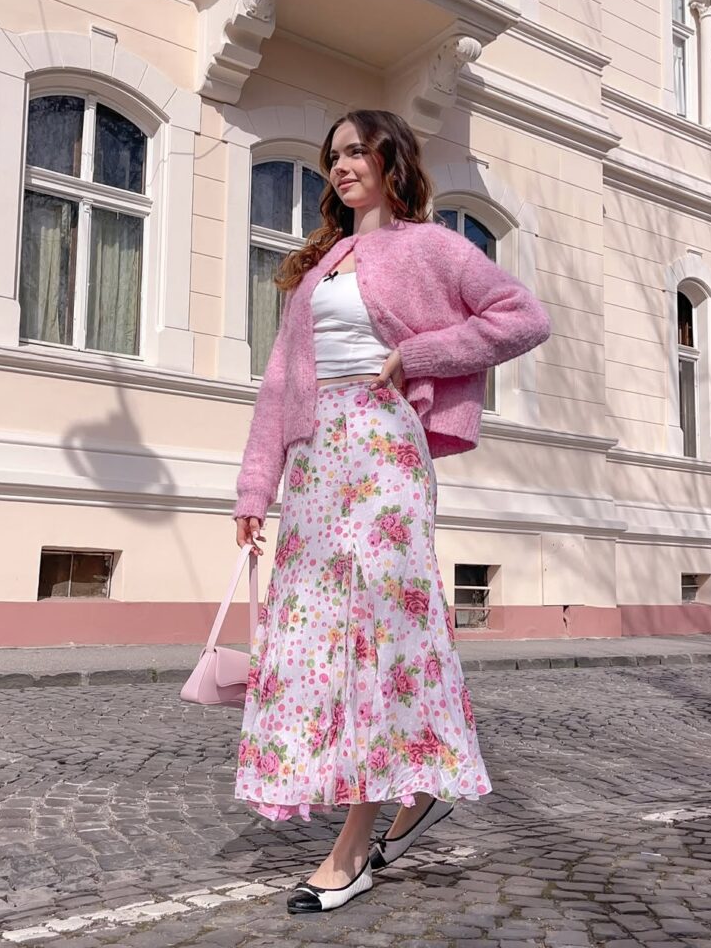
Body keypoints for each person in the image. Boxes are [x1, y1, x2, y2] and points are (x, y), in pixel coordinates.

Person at [232, 109, 552, 914]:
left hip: (381, 450)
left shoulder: (431, 245)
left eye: (354, 152)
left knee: (374, 634)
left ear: (389, 160)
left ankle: (352, 847)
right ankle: (411, 789)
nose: (340, 166)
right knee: (310, 637)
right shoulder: (316, 269)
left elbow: (522, 317)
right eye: (331, 156)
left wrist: (420, 353)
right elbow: (277, 386)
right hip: (313, 462)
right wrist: (253, 490)